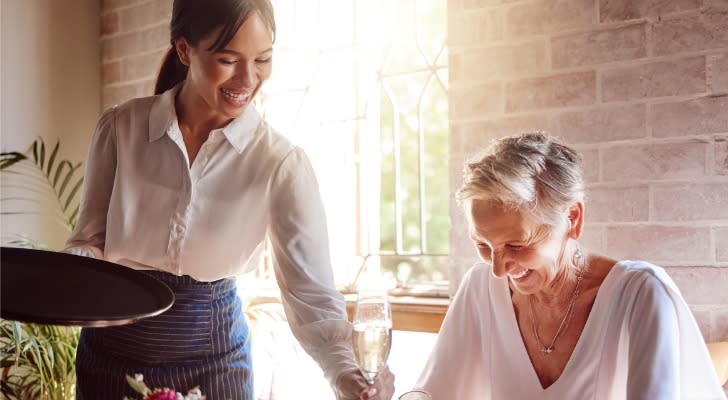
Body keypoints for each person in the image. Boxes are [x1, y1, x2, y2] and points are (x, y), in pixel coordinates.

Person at [64, 1, 394, 399]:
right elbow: (89, 241)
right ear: (185, 50)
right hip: (112, 353)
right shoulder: (121, 128)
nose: (248, 78)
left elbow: (311, 293)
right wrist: (59, 281)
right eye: (228, 59)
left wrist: (345, 372)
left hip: (216, 360)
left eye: (263, 60)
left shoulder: (280, 162)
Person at [398, 133, 725, 399]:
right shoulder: (480, 287)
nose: (499, 269)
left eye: (517, 245)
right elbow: (433, 391)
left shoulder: (641, 294)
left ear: (572, 218)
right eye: (483, 245)